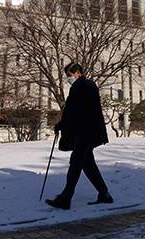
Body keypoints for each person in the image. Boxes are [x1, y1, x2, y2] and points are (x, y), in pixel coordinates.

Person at [45, 62, 113, 210]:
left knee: (76, 162)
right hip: (88, 130)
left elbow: (75, 111)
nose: (68, 78)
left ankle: (65, 198)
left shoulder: (82, 87)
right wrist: (62, 124)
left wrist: (62, 125)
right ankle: (104, 194)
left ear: (77, 73)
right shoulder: (86, 86)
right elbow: (74, 110)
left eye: (69, 75)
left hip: (85, 131)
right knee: (87, 164)